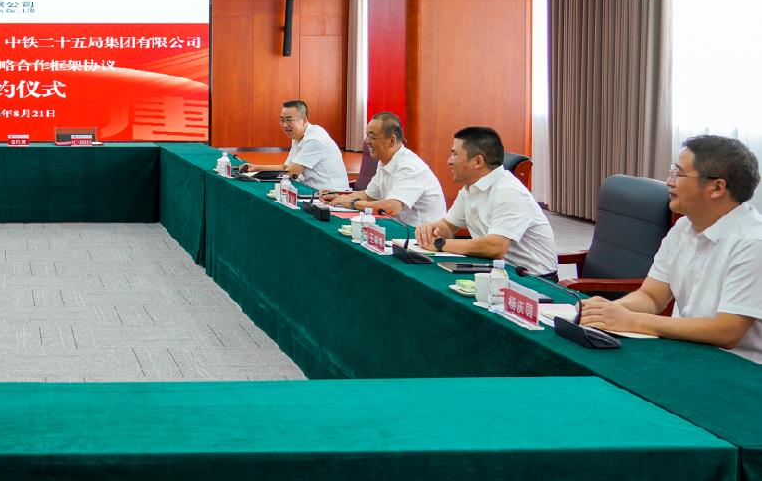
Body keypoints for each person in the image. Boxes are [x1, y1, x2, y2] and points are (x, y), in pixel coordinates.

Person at [580, 136, 762, 363]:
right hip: (688, 350)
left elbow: (727, 331)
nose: (669, 181)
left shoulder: (753, 242)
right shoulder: (684, 226)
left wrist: (634, 321)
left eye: (679, 173)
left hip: (738, 366)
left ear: (717, 187)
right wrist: (605, 311)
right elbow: (651, 296)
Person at [413, 126, 556, 275]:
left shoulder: (508, 191)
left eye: (455, 154)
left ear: (477, 161)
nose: (449, 161)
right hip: (495, 269)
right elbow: (449, 225)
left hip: (532, 278)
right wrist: (433, 230)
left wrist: (440, 244)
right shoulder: (470, 188)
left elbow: (495, 247)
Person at [324, 112, 446, 226]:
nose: (367, 142)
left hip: (422, 235)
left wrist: (352, 203)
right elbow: (369, 195)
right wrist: (339, 198)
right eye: (367, 136)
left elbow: (392, 207)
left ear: (391, 141)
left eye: (372, 137)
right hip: (399, 227)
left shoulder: (409, 166)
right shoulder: (384, 161)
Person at [239, 100, 350, 192]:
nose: (284, 125)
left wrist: (255, 176)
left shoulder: (315, 139)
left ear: (304, 120)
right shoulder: (298, 136)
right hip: (312, 189)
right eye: (282, 120)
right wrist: (255, 167)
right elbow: (286, 168)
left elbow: (291, 173)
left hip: (331, 195)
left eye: (289, 120)